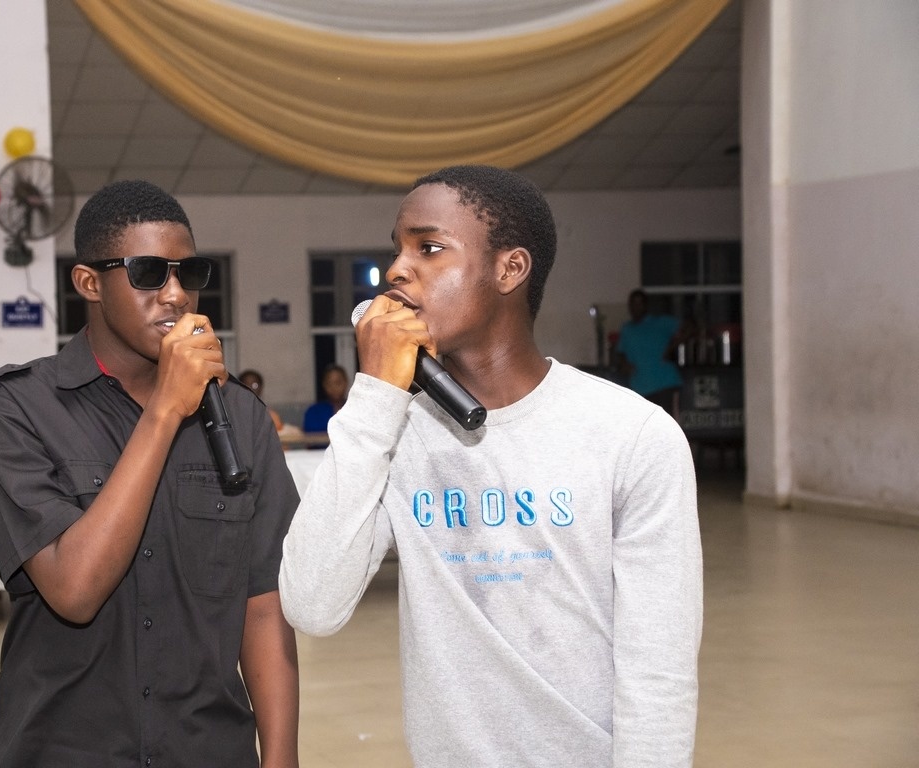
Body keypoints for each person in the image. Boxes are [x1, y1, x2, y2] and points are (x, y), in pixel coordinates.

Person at [279, 165, 702, 767]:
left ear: (510, 269)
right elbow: (312, 605)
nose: (396, 270)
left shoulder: (631, 435)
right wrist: (374, 397)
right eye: (396, 249)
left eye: (428, 248)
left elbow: (659, 674)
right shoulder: (391, 431)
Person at [0, 179, 300, 767]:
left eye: (188, 273)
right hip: (63, 750)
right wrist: (165, 411)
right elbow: (74, 591)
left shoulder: (242, 418)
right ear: (89, 283)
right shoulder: (16, 407)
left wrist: (281, 759)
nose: (175, 295)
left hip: (206, 749)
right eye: (148, 273)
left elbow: (263, 606)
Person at [614, 288, 690, 417]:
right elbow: (621, 353)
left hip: (665, 384)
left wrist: (671, 347)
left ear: (646, 305)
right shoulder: (627, 329)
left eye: (639, 303)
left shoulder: (660, 322)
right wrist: (624, 364)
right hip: (640, 388)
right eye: (633, 304)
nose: (636, 307)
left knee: (668, 423)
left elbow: (690, 327)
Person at [301, 363, 349, 434]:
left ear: (346, 382)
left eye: (338, 383)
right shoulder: (314, 412)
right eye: (329, 384)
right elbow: (311, 436)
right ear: (324, 385)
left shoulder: (354, 410)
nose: (334, 388)